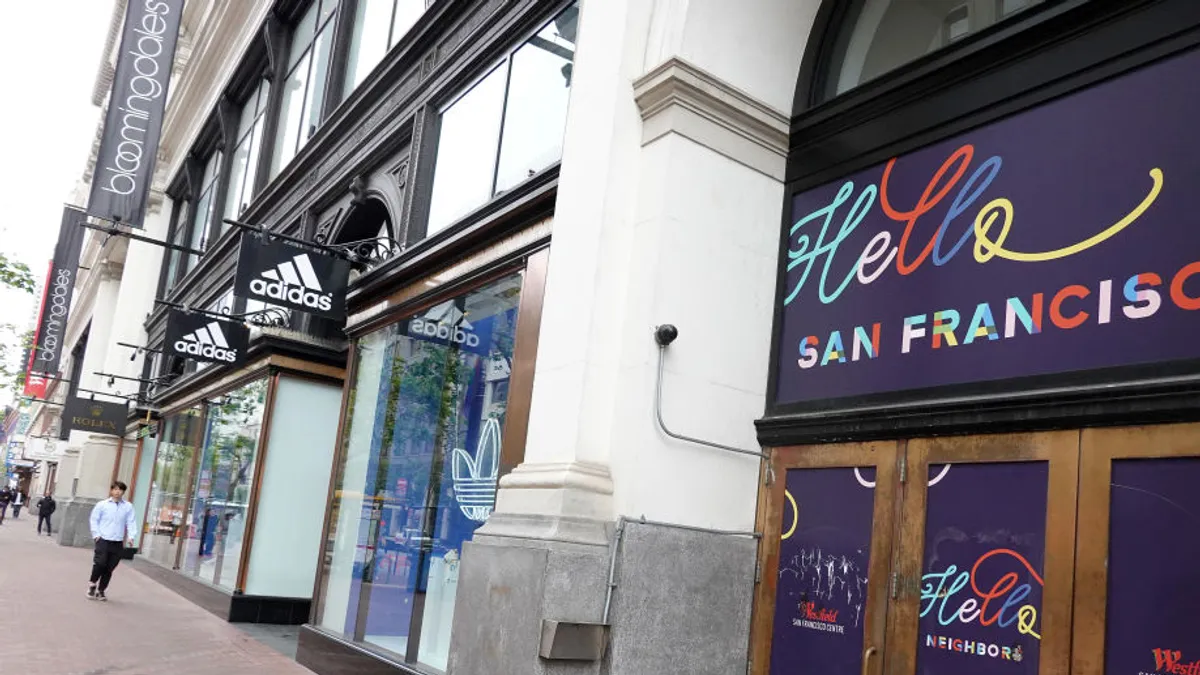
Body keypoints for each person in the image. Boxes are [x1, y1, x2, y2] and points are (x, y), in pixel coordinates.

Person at [87, 481, 137, 601]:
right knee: (100, 563)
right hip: (103, 539)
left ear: (123, 492)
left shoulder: (128, 507)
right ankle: (92, 583)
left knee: (110, 567)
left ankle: (101, 590)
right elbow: (94, 520)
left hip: (117, 541)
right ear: (111, 490)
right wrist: (96, 535)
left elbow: (131, 522)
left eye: (120, 490)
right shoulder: (102, 505)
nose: (117, 492)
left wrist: (131, 536)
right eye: (115, 489)